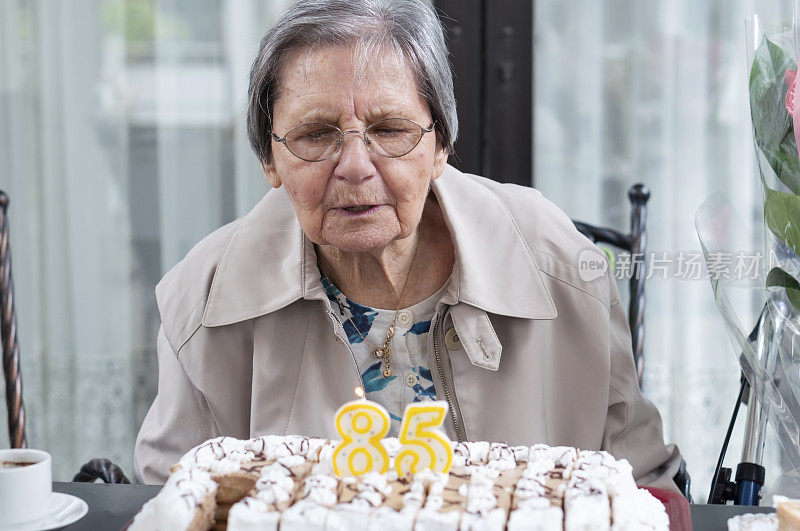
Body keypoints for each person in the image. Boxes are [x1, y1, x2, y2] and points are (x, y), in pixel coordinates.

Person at [134, 0, 684, 493]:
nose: (353, 166)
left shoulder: (562, 266)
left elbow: (643, 489)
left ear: (441, 144)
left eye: (391, 130)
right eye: (316, 134)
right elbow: (175, 503)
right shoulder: (202, 302)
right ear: (269, 161)